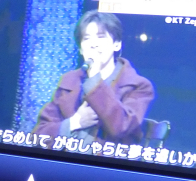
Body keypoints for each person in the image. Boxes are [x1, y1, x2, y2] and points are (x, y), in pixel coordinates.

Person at [34, 10, 154, 146]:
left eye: (101, 37)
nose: (93, 44)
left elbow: (122, 127)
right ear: (80, 49)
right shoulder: (69, 81)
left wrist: (94, 79)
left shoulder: (138, 86)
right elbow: (38, 135)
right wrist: (74, 122)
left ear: (117, 44)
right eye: (86, 38)